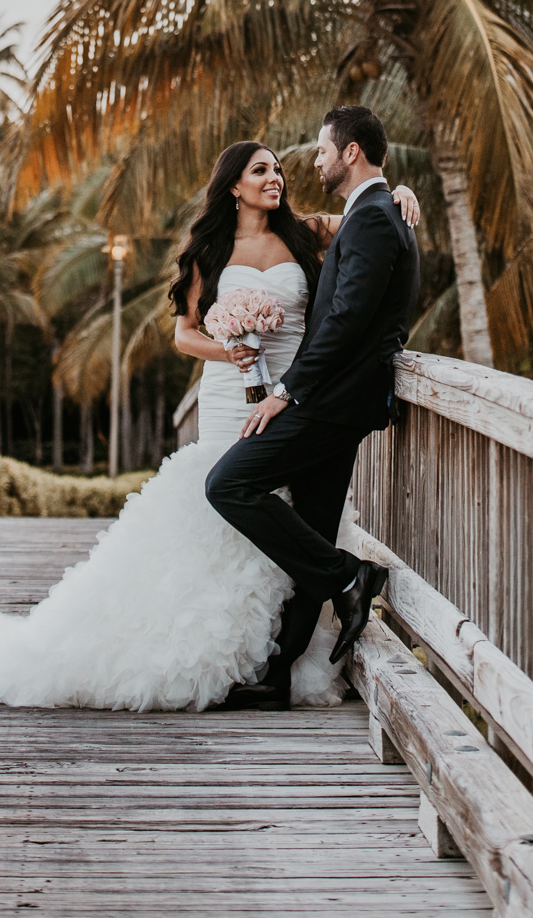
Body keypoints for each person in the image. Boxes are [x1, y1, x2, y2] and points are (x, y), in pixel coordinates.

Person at [0, 135, 419, 712]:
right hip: (231, 395)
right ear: (234, 185)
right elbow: (184, 333)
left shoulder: (305, 231)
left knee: (287, 505)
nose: (277, 178)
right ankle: (225, 645)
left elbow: (367, 214)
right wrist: (229, 351)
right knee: (221, 500)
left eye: (278, 170)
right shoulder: (208, 250)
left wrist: (402, 192)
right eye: (261, 170)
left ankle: (281, 656)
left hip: (295, 395)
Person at [204, 105, 420, 710]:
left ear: (350, 152)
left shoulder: (375, 217)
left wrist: (286, 390)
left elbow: (349, 320)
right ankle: (279, 672)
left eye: (323, 150)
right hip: (339, 401)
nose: (314, 161)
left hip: (330, 402)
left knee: (229, 483)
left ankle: (349, 577)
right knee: (317, 528)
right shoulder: (371, 213)